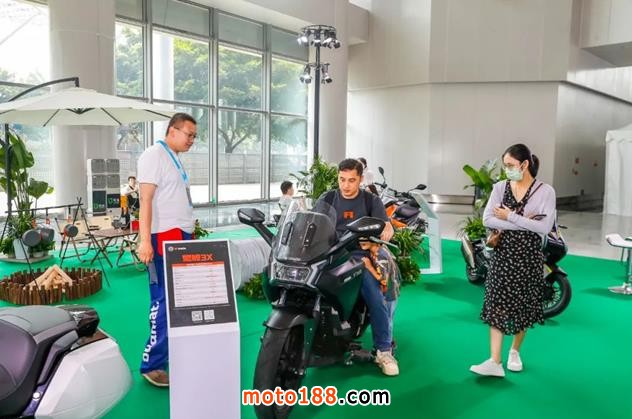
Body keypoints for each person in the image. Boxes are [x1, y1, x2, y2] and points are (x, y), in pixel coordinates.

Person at [470, 143, 556, 378]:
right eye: (505, 165)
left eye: (510, 165)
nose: (507, 169)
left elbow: (544, 227)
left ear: (524, 164)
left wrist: (509, 216)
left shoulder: (545, 191)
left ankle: (515, 351)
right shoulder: (500, 187)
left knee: (523, 306)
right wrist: (525, 221)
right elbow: (488, 219)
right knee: (495, 303)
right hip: (502, 255)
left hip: (529, 257)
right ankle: (494, 361)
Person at [315, 158, 398, 376]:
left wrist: (383, 234)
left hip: (357, 256)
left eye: (351, 180)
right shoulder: (328, 198)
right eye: (342, 179)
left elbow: (387, 227)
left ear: (360, 179)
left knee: (373, 293)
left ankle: (384, 350)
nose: (346, 185)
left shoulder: (370, 200)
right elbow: (313, 223)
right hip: (327, 255)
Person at [137, 113, 197, 387]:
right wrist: (145, 241)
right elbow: (145, 200)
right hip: (163, 236)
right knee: (162, 301)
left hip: (181, 235)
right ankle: (152, 364)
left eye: (194, 136)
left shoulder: (174, 158)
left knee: (179, 300)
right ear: (172, 131)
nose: (192, 140)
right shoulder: (153, 155)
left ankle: (173, 353)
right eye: (189, 134)